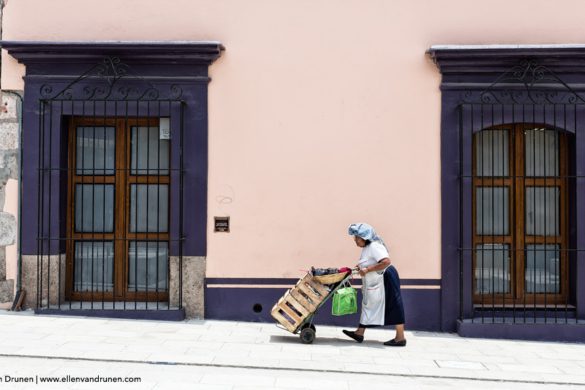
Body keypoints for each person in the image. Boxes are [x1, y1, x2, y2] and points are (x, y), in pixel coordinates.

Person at [342, 222, 406, 346]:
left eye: (357, 237)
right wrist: (361, 267)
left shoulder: (374, 246)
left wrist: (366, 270)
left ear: (364, 237)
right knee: (368, 304)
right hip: (376, 280)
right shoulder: (367, 248)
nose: (355, 240)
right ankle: (359, 333)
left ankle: (400, 338)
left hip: (386, 278)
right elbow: (370, 261)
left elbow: (386, 261)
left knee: (394, 305)